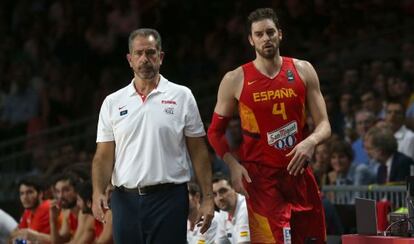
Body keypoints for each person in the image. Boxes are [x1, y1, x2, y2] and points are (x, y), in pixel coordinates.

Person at [207, 8, 331, 244]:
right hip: (261, 179)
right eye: (259, 34)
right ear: (251, 39)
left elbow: (324, 124)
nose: (266, 38)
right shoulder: (235, 79)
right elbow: (214, 132)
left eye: (270, 32)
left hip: (299, 174)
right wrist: (233, 166)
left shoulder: (303, 70)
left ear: (280, 35)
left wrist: (311, 141)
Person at [91, 28, 214, 244]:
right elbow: (103, 156)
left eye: (150, 52)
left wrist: (208, 198)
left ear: (161, 57)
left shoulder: (182, 95)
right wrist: (97, 192)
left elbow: (199, 151)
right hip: (124, 200)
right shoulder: (112, 102)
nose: (144, 59)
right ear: (129, 59)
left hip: (170, 198)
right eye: (138, 54)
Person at [9, 176, 51, 243]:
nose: (25, 197)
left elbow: (29, 239)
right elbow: (15, 234)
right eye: (22, 193)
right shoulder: (28, 210)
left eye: (29, 192)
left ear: (40, 194)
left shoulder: (46, 208)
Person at [212, 173, 250, 244]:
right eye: (214, 194)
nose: (219, 198)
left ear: (234, 188)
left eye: (223, 191)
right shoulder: (223, 213)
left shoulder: (245, 208)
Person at [49, 173, 80, 243]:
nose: (60, 196)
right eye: (58, 191)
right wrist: (53, 219)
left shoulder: (85, 213)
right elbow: (57, 241)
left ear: (77, 191)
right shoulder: (67, 214)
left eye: (66, 190)